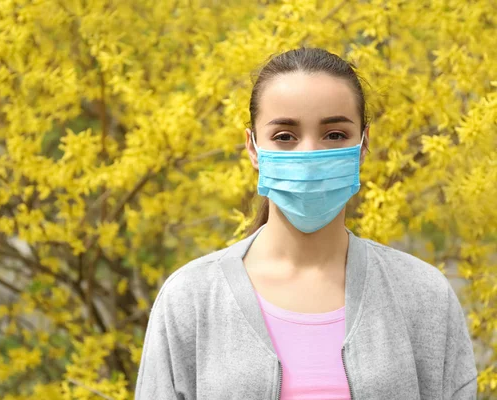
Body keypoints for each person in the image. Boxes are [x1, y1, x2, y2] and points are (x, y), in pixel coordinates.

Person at [134, 48, 477, 399]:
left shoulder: (423, 295)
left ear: (363, 145)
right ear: (253, 148)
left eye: (334, 135)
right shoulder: (190, 299)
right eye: (285, 136)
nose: (310, 155)